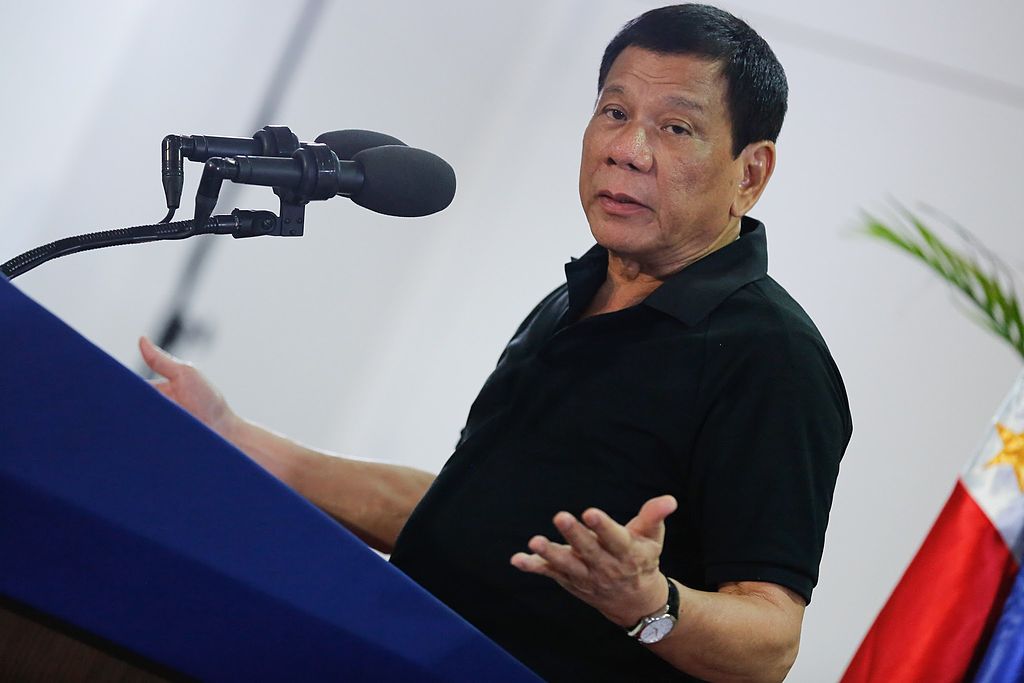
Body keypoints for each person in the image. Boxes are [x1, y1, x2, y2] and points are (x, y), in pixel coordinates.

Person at [140, 5, 852, 681]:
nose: (628, 151)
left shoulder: (772, 357)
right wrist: (231, 435)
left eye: (675, 129)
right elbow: (465, 518)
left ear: (750, 173)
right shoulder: (576, 296)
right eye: (615, 112)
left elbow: (771, 640)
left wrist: (648, 604)